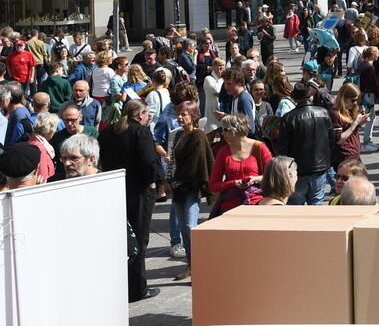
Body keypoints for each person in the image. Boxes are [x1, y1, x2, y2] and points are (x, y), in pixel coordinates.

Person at [97, 99, 159, 302]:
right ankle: (137, 288)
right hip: (138, 191)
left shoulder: (108, 132)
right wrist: (152, 182)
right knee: (139, 239)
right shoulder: (140, 132)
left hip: (116, 189)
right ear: (140, 115)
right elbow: (149, 161)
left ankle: (120, 286)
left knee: (120, 240)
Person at [166, 100, 212, 281]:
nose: (180, 117)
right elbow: (172, 161)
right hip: (178, 187)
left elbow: (200, 164)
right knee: (183, 227)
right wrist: (168, 180)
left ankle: (198, 266)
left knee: (190, 226)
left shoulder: (198, 135)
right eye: (178, 114)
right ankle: (191, 265)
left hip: (191, 188)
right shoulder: (177, 136)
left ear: (193, 116)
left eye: (184, 114)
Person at [275, 83, 333, 205]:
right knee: (317, 203)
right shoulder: (323, 112)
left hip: (298, 170)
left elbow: (283, 148)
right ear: (310, 97)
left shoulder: (288, 117)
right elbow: (331, 141)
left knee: (296, 206)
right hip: (319, 167)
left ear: (295, 99)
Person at [208, 113, 272, 214]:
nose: (222, 134)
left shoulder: (259, 148)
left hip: (256, 205)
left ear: (235, 130)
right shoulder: (223, 151)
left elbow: (273, 176)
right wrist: (232, 183)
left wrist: (255, 179)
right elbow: (213, 185)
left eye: (225, 130)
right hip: (229, 207)